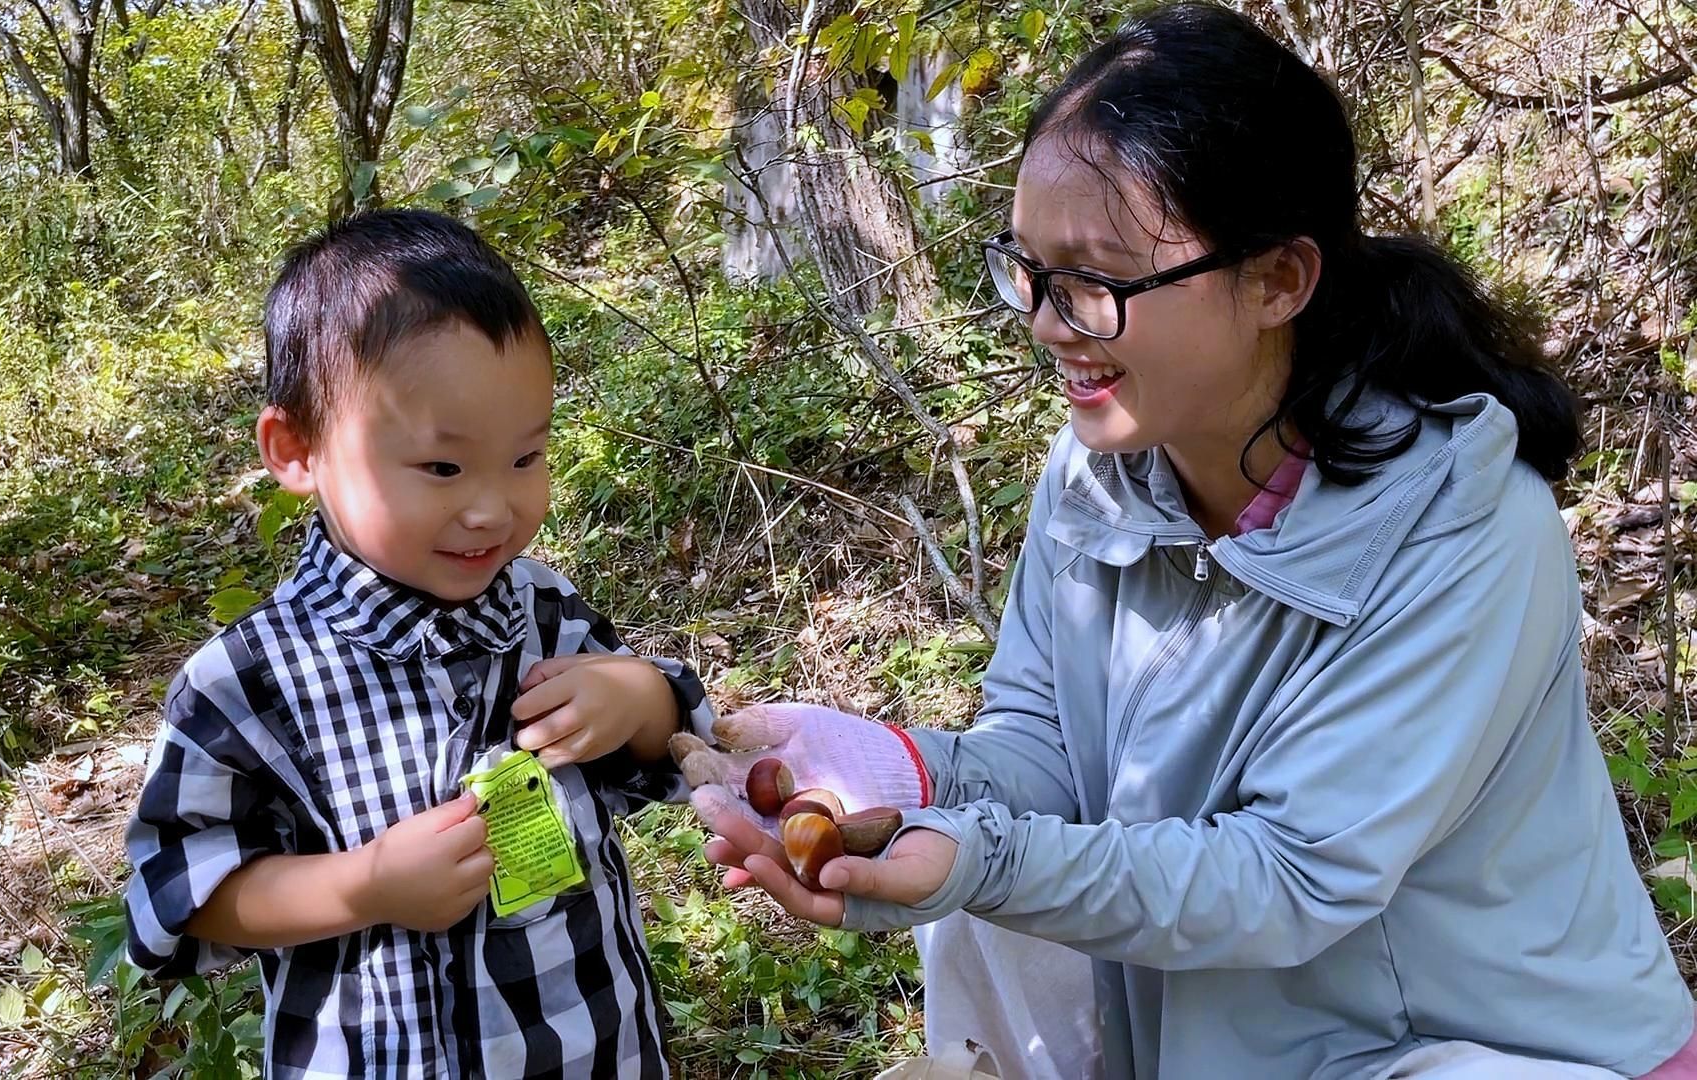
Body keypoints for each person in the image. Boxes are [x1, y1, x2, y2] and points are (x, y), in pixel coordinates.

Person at [680, 4, 1697, 1077]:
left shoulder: (1458, 526)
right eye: (1025, 267)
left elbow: (1294, 876)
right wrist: (889, 775)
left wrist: (971, 857)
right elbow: (1048, 761)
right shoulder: (1099, 476)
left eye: (1096, 282)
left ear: (1278, 280)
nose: (1043, 320)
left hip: (1484, 1048)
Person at [123, 209, 714, 1079]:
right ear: (297, 449)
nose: (492, 508)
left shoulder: (545, 612)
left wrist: (638, 698)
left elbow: (669, 747)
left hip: (597, 1047)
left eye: (526, 458)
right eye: (443, 468)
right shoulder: (248, 682)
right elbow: (183, 890)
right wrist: (364, 884)